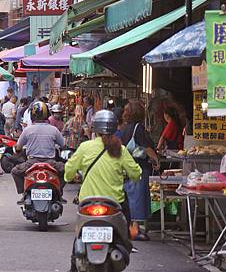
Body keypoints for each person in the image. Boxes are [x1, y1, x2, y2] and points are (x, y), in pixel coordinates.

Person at [64, 110, 142, 272]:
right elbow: (135, 173)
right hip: (114, 204)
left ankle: (73, 266)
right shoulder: (120, 149)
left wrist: (69, 176)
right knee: (125, 232)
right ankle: (124, 247)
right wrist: (131, 176)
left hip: (87, 203)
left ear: (95, 128)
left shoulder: (85, 147)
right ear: (115, 128)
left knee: (79, 235)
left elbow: (69, 169)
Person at [11, 101, 66, 203]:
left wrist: (18, 151)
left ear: (32, 115)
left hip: (32, 162)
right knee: (67, 171)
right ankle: (59, 192)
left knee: (15, 171)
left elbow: (18, 147)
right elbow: (63, 145)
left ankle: (24, 192)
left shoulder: (28, 130)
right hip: (50, 163)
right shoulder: (54, 130)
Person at [121, 100, 159, 241]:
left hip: (126, 166)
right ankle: (134, 230)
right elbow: (147, 147)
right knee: (136, 198)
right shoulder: (138, 128)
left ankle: (130, 227)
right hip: (138, 166)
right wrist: (156, 160)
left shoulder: (125, 128)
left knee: (129, 197)